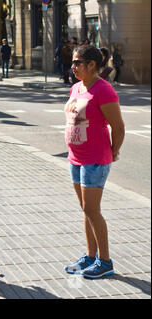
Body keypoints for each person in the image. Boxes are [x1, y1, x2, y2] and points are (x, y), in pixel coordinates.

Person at [64, 45, 125, 279]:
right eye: (72, 62)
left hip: (95, 159)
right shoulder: (76, 88)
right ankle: (90, 257)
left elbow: (118, 127)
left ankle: (105, 261)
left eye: (77, 62)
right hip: (75, 158)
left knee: (92, 210)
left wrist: (113, 151)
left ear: (91, 65)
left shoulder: (104, 90)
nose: (73, 67)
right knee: (86, 210)